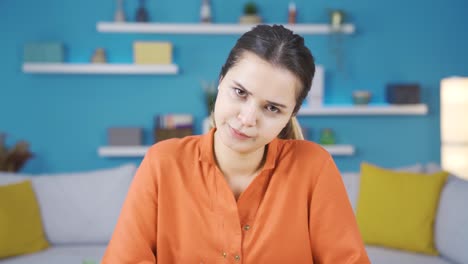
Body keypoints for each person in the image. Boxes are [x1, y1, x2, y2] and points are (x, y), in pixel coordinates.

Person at [102, 24, 370, 263]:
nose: (247, 118)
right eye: (240, 92)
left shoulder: (314, 167)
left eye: (272, 108)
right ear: (220, 82)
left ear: (291, 114)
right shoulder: (163, 162)